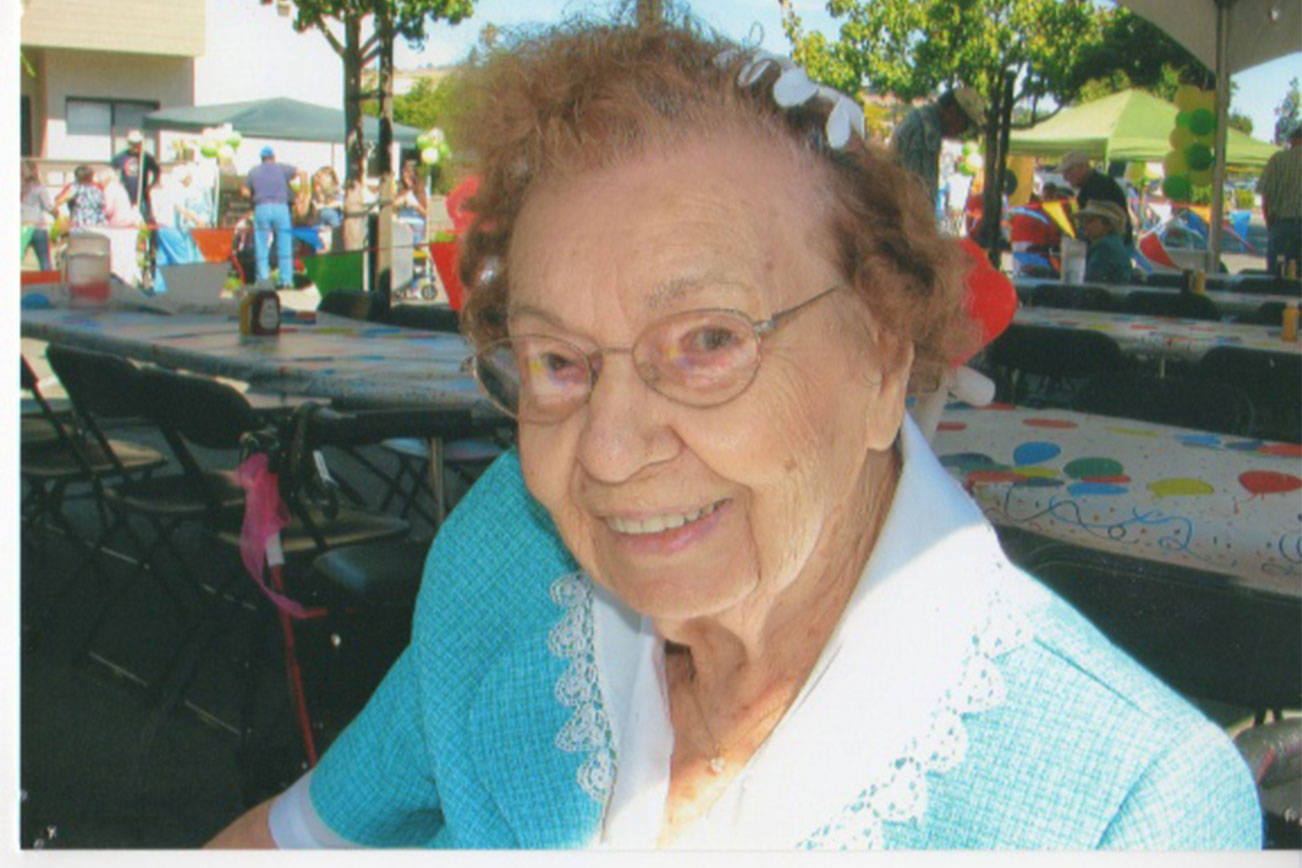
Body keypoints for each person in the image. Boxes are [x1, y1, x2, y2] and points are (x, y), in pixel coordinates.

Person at [208, 23, 1260, 851]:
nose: (608, 451)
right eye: (557, 360)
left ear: (883, 358)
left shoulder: (1131, 811)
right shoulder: (504, 557)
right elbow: (300, 835)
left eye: (707, 341)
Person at [891, 86, 986, 212]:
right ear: (952, 112)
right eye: (965, 125)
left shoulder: (924, 122)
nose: (962, 132)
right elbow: (917, 195)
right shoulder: (924, 131)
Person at [241, 146, 298, 288]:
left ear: (261, 158)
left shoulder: (253, 171)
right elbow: (299, 172)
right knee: (284, 244)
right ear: (274, 157)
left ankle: (263, 279)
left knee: (261, 245)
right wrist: (301, 192)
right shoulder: (282, 168)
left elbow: (244, 191)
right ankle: (285, 280)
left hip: (262, 207)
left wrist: (253, 196)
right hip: (281, 207)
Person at [1059, 151, 1133, 247]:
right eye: (1064, 173)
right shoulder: (1090, 187)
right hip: (1115, 243)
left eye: (1068, 171)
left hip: (1112, 246)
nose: (1065, 177)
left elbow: (1100, 227)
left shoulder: (1099, 186)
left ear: (1083, 167)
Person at [1257, 123, 1301, 278]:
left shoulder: (1277, 160)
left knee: (1276, 277)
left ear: (1292, 140)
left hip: (1281, 225)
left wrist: (1270, 224)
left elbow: (1265, 196)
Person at [1074, 200, 1132, 284]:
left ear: (1107, 224)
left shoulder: (1104, 246)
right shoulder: (1115, 242)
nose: (1085, 225)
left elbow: (1090, 280)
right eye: (1084, 221)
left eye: (1090, 220)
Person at [111, 130, 160, 222]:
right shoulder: (121, 157)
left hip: (142, 194)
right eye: (133, 144)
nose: (135, 146)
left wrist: (152, 184)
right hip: (126, 194)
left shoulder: (146, 157)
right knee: (126, 218)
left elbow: (156, 171)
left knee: (146, 218)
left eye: (137, 143)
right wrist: (116, 184)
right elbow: (111, 170)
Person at [21, 160, 54, 271]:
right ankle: (48, 280)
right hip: (37, 225)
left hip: (21, 226)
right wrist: (56, 214)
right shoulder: (39, 188)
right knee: (44, 260)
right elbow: (48, 207)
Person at [54, 164, 107, 229]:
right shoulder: (98, 188)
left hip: (80, 224)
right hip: (98, 223)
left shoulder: (75, 188)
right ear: (91, 176)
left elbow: (59, 200)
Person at [394, 158, 428, 243]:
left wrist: (415, 205)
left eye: (409, 177)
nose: (407, 180)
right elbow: (393, 208)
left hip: (416, 227)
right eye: (405, 176)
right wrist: (398, 202)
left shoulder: (421, 190)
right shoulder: (401, 189)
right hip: (401, 225)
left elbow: (427, 213)